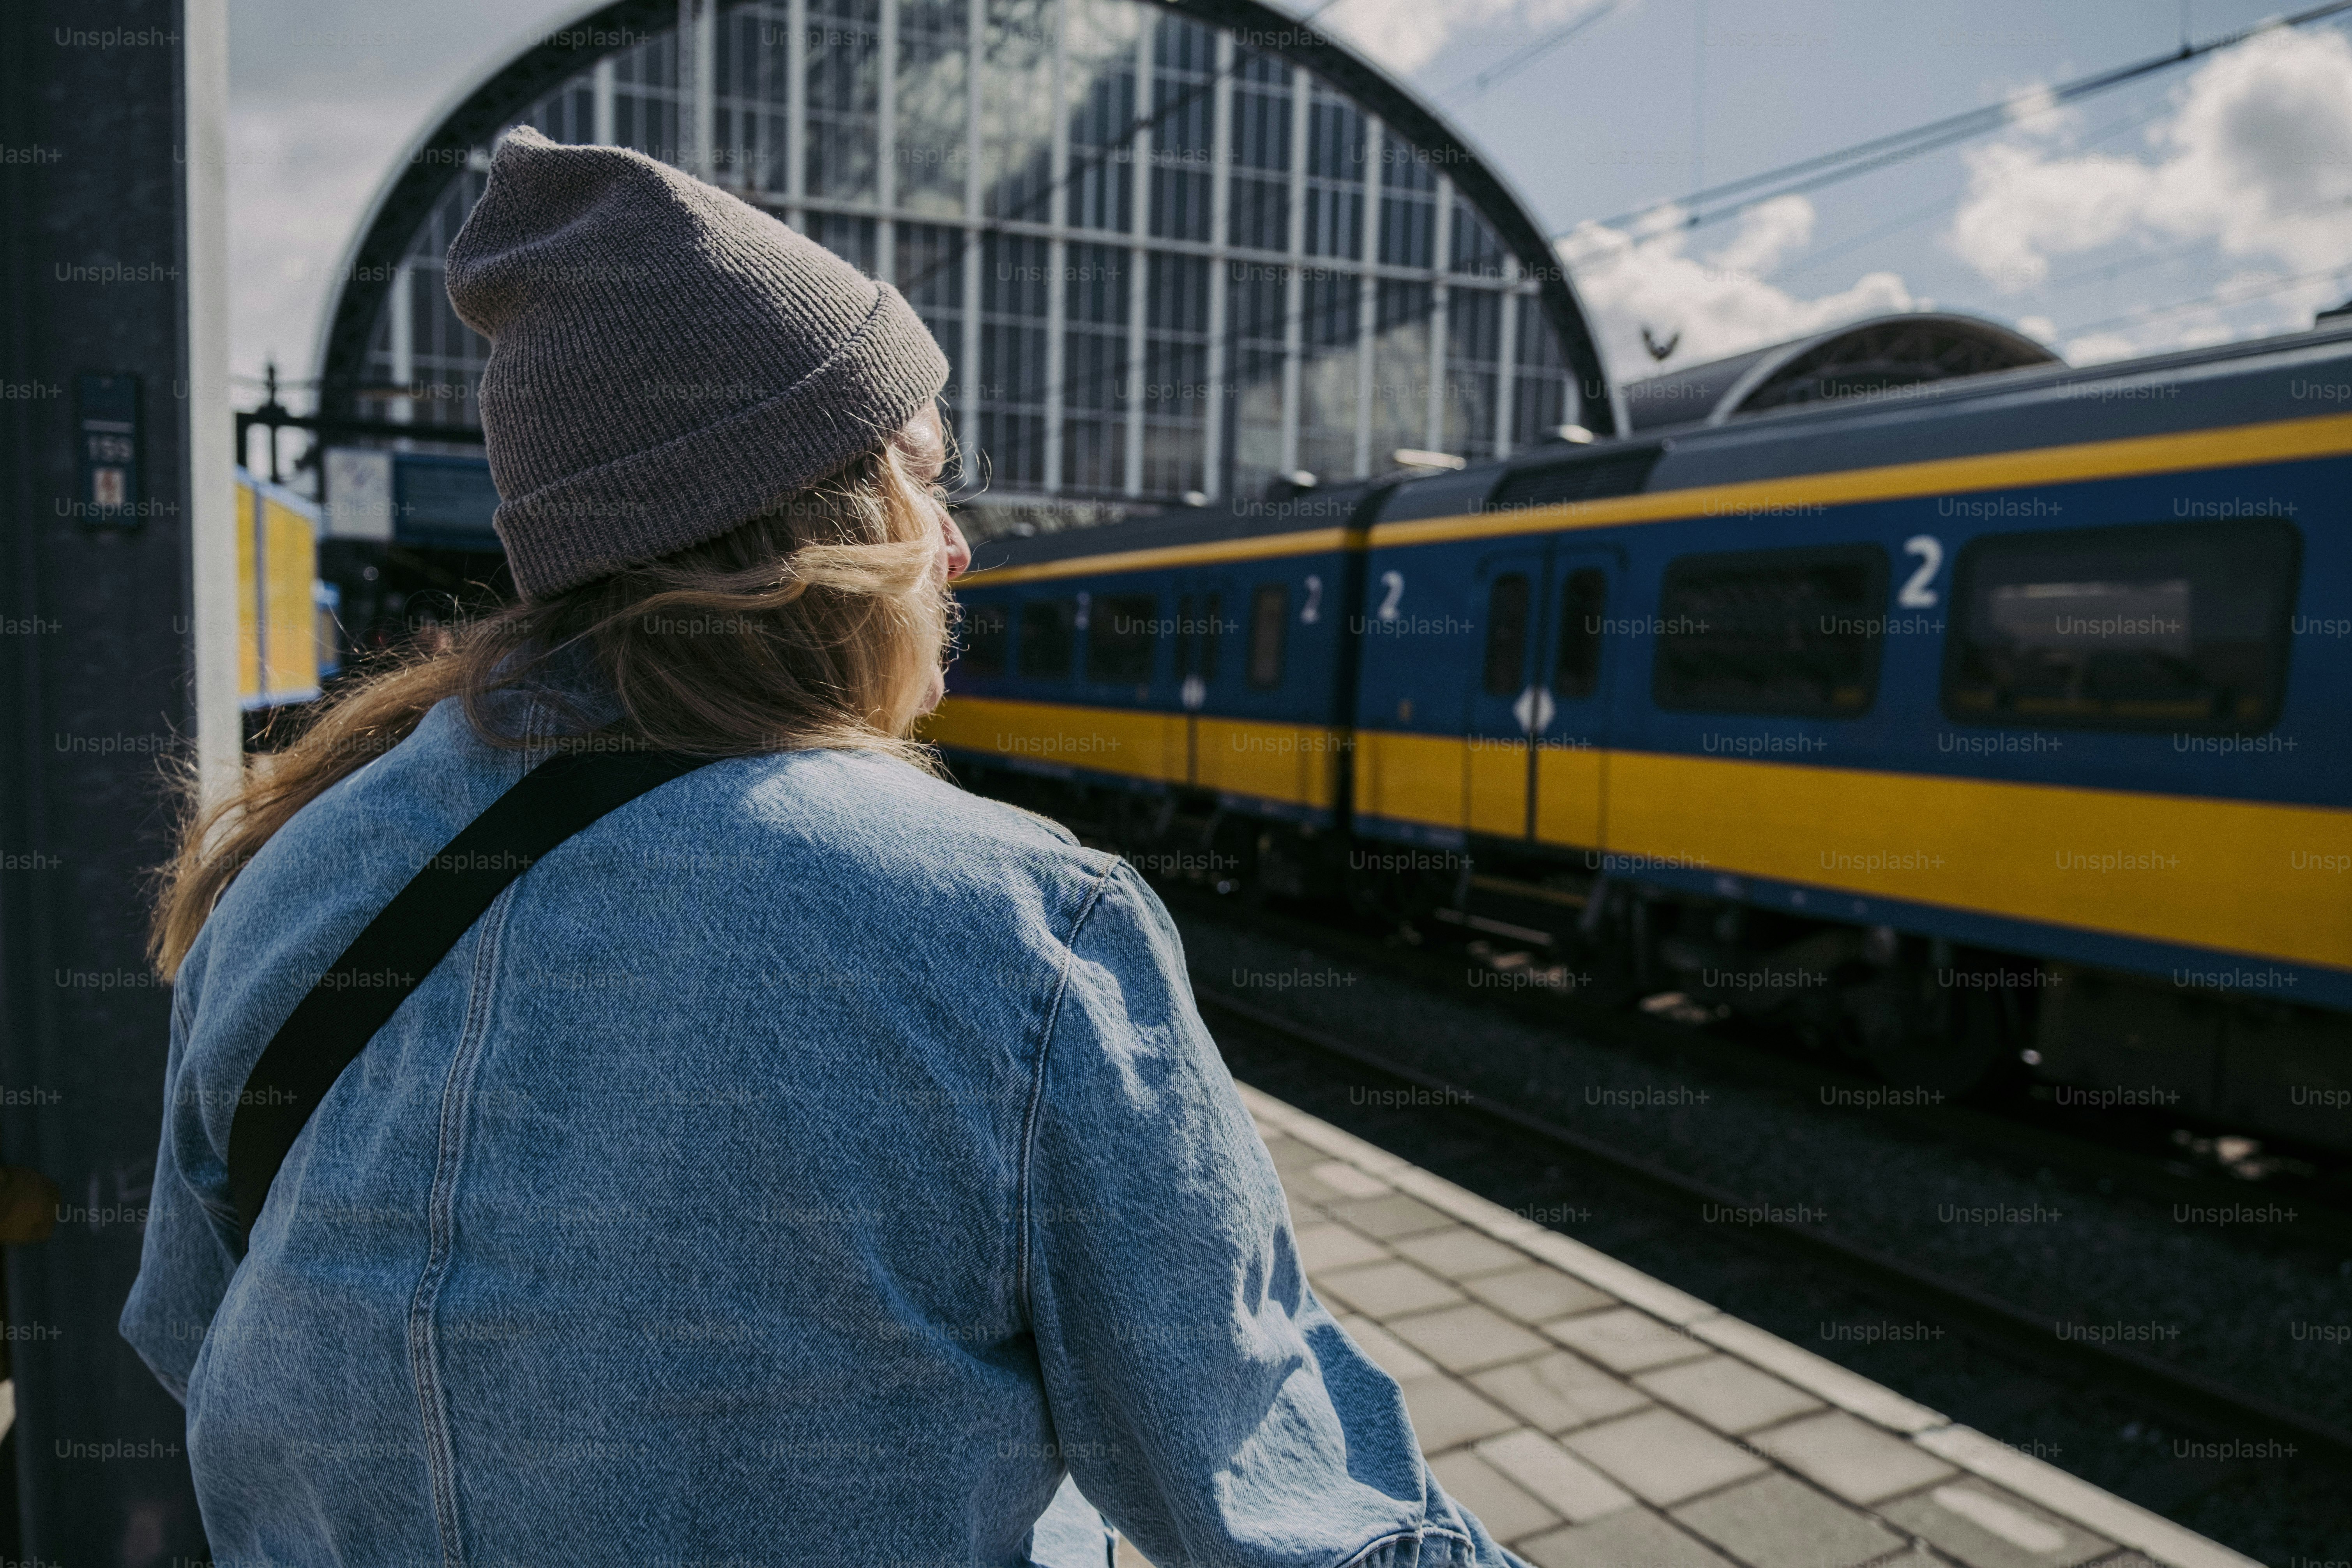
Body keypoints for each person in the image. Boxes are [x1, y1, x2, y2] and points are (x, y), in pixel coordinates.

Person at [122, 126, 1522, 1568]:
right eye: (926, 475)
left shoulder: (290, 860)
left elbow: (190, 1333)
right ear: (822, 523)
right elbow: (1271, 1501)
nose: (958, 546)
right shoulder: (1014, 922)